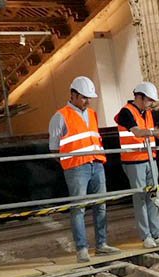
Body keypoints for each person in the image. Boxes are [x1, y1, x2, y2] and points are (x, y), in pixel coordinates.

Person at [48, 76, 121, 262]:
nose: (87, 101)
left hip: (96, 164)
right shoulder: (60, 116)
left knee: (101, 206)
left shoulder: (92, 114)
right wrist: (70, 162)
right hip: (76, 168)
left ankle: (101, 245)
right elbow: (54, 149)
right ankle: (82, 249)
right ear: (72, 95)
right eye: (84, 97)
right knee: (78, 209)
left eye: (89, 98)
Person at [115, 82, 159, 248]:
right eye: (149, 100)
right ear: (139, 97)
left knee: (153, 196)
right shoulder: (126, 112)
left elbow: (153, 128)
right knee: (140, 198)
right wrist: (158, 132)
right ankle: (146, 235)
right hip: (134, 160)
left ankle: (157, 233)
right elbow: (137, 132)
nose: (150, 104)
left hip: (150, 158)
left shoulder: (147, 113)